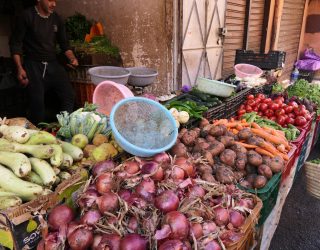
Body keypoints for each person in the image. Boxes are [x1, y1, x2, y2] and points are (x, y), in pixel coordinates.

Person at [9, 0, 78, 124]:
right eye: (50, 0)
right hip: (33, 65)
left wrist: (72, 57)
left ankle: (64, 126)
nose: (54, 4)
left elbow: (64, 44)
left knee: (69, 95)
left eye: (55, 0)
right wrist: (20, 68)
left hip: (52, 63)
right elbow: (15, 44)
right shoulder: (26, 16)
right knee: (37, 103)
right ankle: (38, 133)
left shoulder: (56, 18)